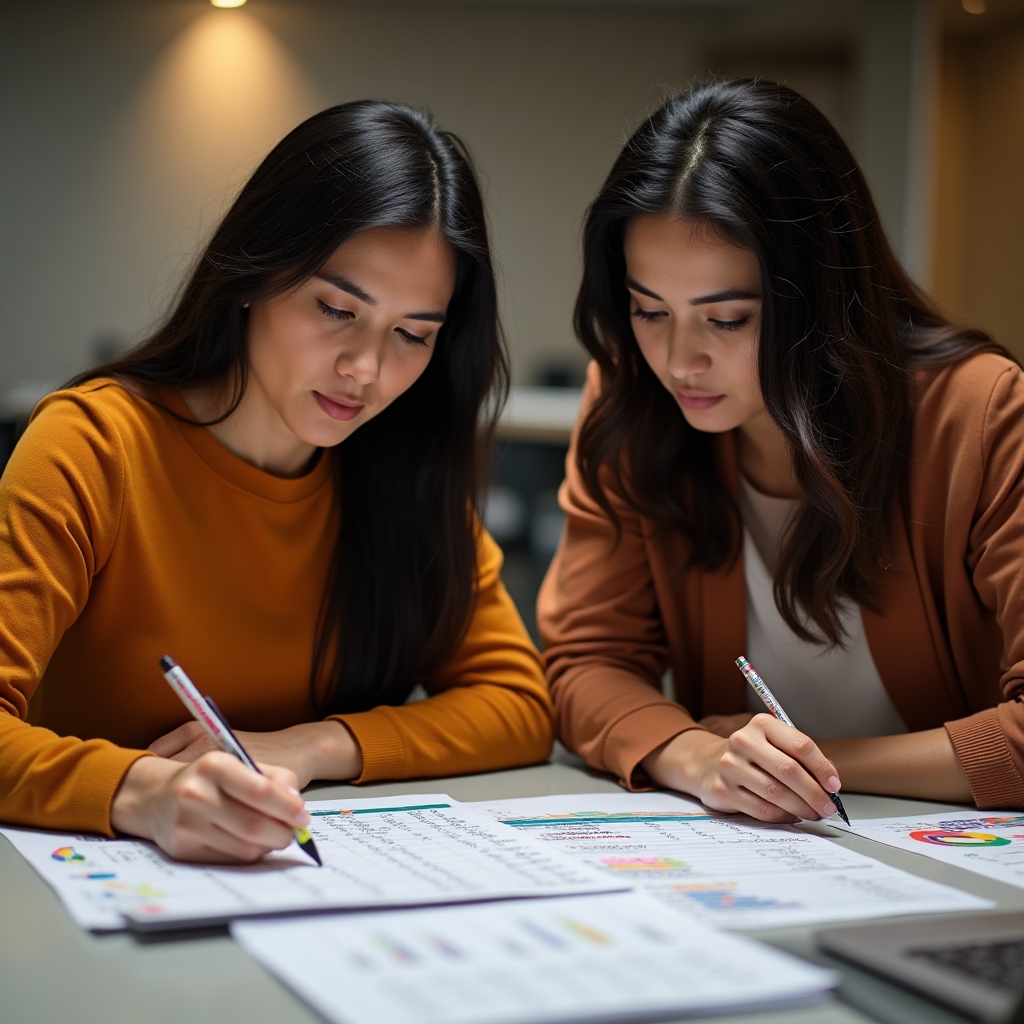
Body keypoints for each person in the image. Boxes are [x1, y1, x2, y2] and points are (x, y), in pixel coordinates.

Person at [0, 101, 552, 863]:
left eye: (412, 335)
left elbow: (518, 706)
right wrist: (141, 791)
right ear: (256, 271)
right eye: (335, 309)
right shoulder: (95, 444)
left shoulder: (402, 470)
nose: (366, 370)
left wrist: (313, 746)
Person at [539, 78, 1024, 821]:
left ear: (821, 295)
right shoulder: (633, 400)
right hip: (765, 853)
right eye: (648, 310)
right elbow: (585, 663)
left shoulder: (981, 413)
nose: (678, 361)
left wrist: (807, 763)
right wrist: (695, 755)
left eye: (726, 319)